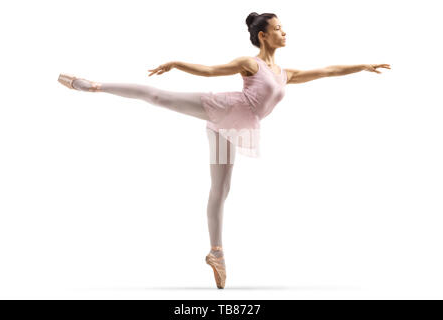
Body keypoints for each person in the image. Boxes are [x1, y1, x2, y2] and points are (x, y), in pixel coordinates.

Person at [57, 12, 391, 289]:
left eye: (282, 28)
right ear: (262, 36)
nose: (283, 32)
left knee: (221, 189)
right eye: (277, 29)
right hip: (220, 108)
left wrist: (362, 67)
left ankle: (215, 252)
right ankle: (92, 86)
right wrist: (177, 62)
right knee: (158, 97)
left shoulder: (286, 74)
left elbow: (327, 71)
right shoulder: (251, 63)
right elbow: (210, 71)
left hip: (230, 128)